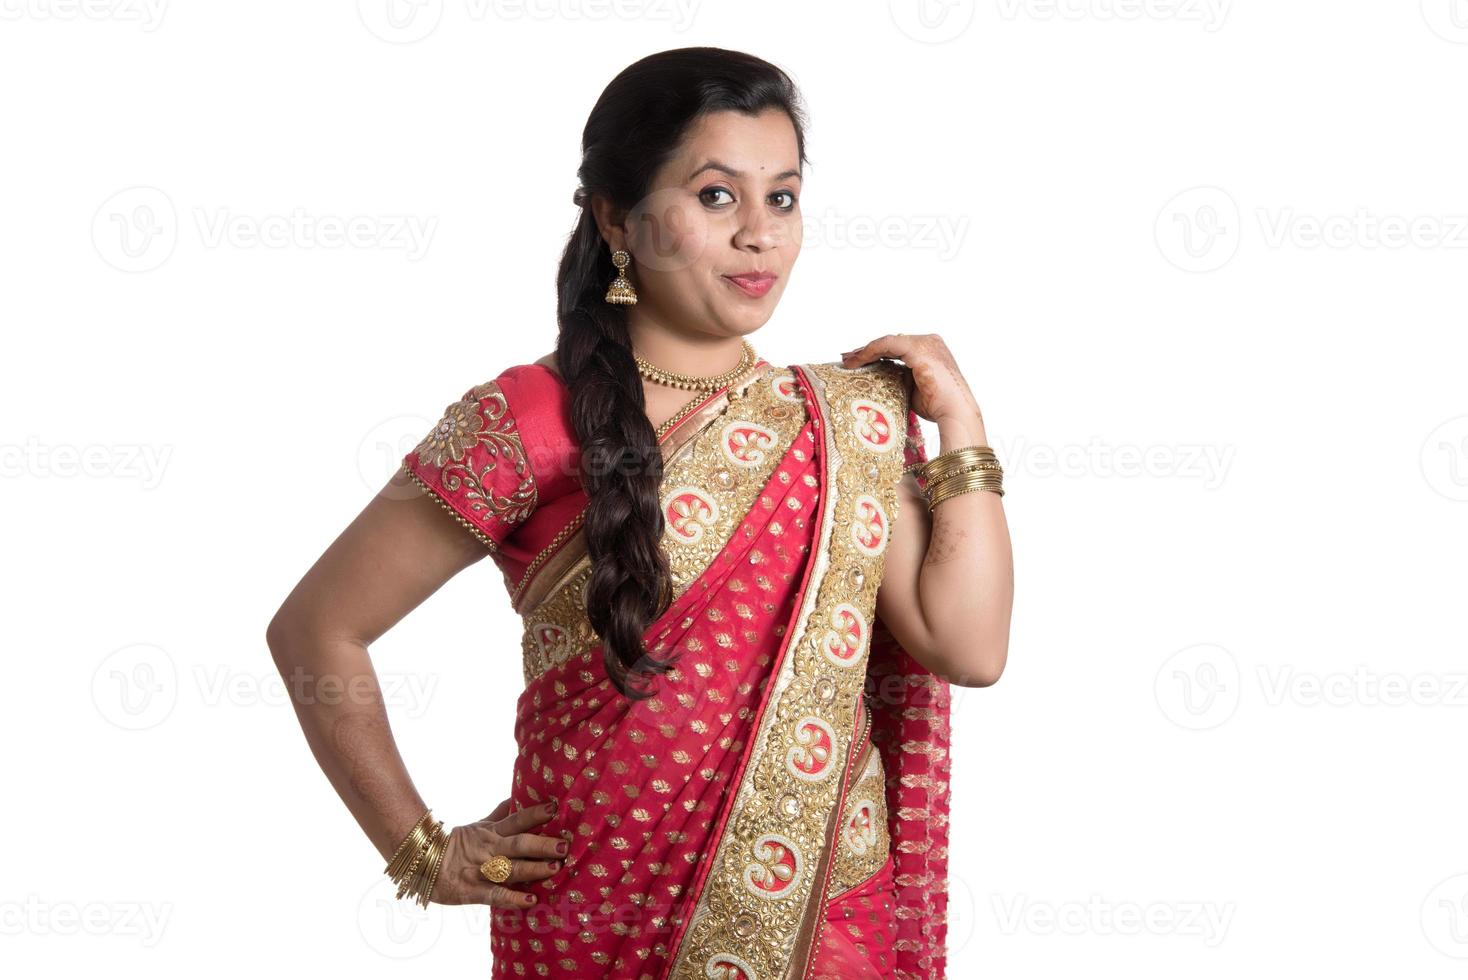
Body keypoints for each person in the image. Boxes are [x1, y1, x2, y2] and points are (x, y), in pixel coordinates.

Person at [266, 46, 1013, 980]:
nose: (760, 235)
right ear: (618, 219)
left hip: (820, 924)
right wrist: (420, 851)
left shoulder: (844, 422)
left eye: (782, 198)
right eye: (715, 196)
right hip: (594, 928)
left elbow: (969, 646)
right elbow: (316, 629)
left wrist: (963, 427)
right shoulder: (525, 419)